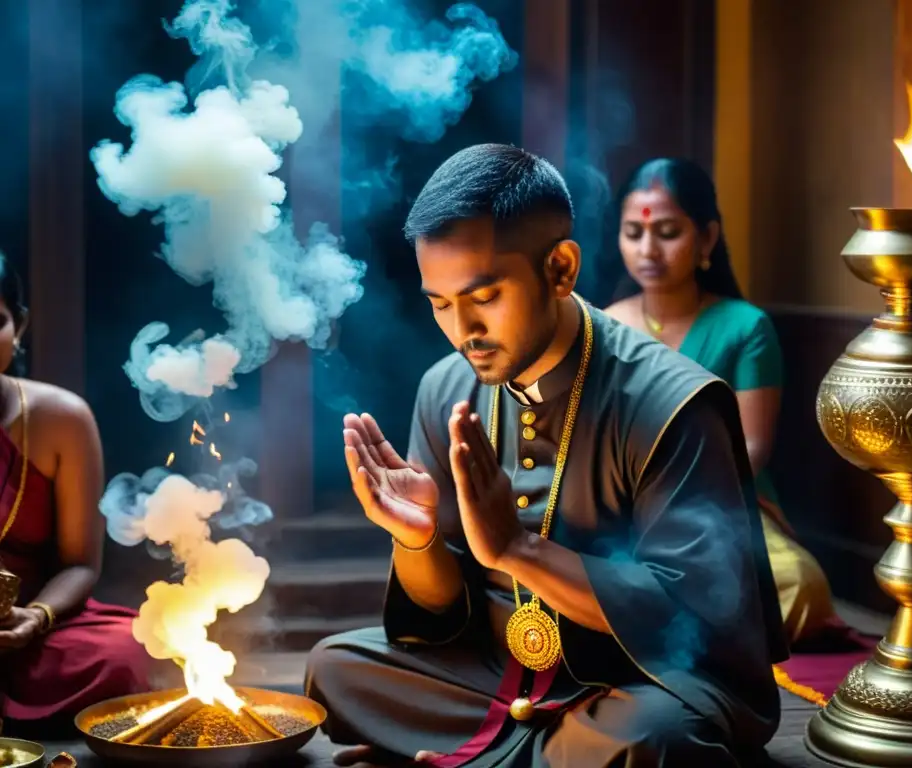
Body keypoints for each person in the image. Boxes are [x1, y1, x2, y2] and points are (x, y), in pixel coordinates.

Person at [305, 144, 787, 768]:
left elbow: (694, 621)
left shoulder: (673, 402)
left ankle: (476, 755)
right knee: (334, 669)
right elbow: (444, 616)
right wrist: (417, 540)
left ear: (559, 269)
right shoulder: (444, 387)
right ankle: (529, 755)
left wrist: (517, 550)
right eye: (440, 303)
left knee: (652, 741)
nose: (462, 331)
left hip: (636, 681)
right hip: (499, 666)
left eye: (485, 296)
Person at [603, 157, 836, 645]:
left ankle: (661, 629)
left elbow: (751, 449)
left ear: (706, 238)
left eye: (667, 232)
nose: (648, 249)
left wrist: (673, 497)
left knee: (801, 588)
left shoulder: (745, 327)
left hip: (719, 510)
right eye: (633, 232)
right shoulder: (604, 325)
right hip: (620, 508)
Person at [0, 254, 150, 735]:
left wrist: (35, 617)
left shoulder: (60, 419)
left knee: (124, 652)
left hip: (31, 629)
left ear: (18, 326)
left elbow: (80, 562)